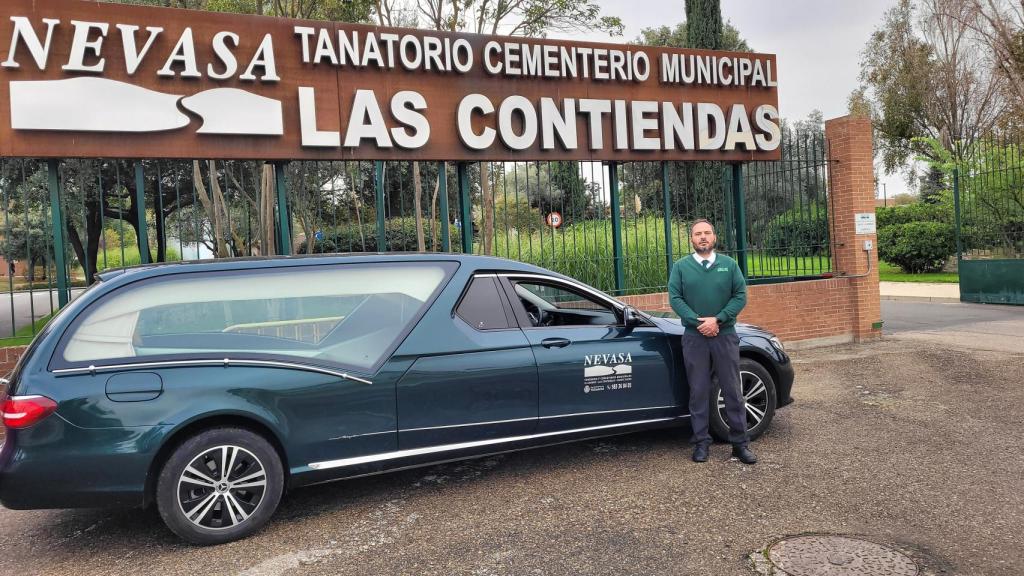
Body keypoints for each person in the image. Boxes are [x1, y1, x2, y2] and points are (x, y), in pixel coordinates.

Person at [667, 218, 756, 465]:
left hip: (724, 335)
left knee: (732, 390)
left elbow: (740, 295)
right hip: (694, 338)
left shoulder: (729, 265)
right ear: (691, 239)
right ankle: (701, 443)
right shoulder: (681, 267)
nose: (703, 237)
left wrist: (718, 319)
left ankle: (740, 444)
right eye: (698, 234)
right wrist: (698, 322)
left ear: (714, 237)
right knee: (698, 391)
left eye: (707, 233)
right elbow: (675, 298)